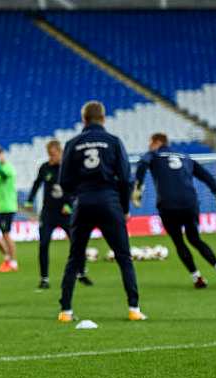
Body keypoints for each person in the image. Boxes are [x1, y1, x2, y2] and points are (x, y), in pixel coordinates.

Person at [58, 101, 146, 322]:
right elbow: (126, 179)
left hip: (84, 203)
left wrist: (76, 197)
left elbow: (64, 181)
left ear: (84, 119)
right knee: (124, 257)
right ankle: (134, 308)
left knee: (75, 258)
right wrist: (124, 208)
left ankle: (65, 311)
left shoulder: (72, 143)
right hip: (109, 202)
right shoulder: (114, 142)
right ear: (104, 118)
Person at [133, 133, 216, 288]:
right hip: (190, 204)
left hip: (168, 206)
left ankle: (197, 278)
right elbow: (206, 176)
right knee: (195, 239)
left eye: (150, 143)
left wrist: (138, 187)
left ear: (157, 142)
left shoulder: (153, 155)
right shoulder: (185, 157)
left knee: (179, 242)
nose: (149, 146)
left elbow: (142, 164)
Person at [25, 140, 93, 289]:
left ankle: (81, 273)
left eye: (53, 154)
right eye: (49, 154)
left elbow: (77, 188)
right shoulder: (45, 167)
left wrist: (69, 204)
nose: (51, 157)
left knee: (77, 243)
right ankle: (44, 279)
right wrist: (29, 201)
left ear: (60, 152)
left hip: (66, 214)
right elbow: (37, 184)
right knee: (43, 245)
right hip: (48, 214)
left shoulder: (69, 168)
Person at [0, 147, 18, 273]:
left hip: (8, 206)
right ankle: (6, 256)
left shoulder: (7, 168)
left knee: (5, 234)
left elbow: (4, 175)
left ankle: (13, 261)